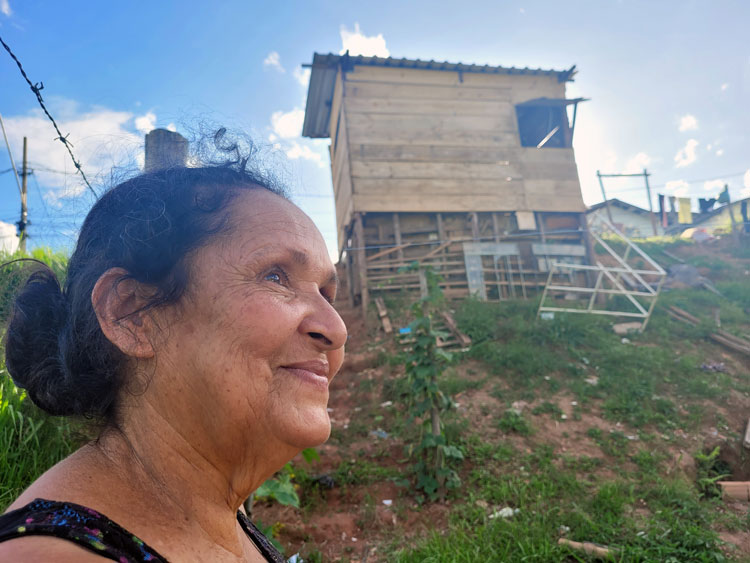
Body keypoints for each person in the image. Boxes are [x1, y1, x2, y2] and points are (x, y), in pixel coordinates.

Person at [0, 145, 348, 561]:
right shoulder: (50, 555)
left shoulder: (218, 516)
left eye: (327, 292)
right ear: (131, 313)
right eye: (275, 276)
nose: (336, 328)